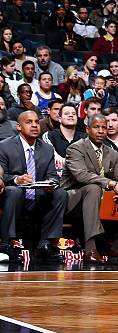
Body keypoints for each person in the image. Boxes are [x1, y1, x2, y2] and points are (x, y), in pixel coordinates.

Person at [62, 114, 118, 263]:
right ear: (87, 129)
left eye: (104, 128)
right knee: (93, 188)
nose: (100, 131)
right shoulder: (75, 148)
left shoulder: (111, 152)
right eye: (96, 127)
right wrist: (111, 184)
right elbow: (82, 176)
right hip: (73, 199)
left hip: (100, 198)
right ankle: (90, 248)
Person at [0, 111, 68, 261]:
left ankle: (46, 244)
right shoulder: (5, 146)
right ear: (18, 126)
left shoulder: (47, 149)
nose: (34, 126)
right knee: (13, 191)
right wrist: (17, 179)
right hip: (14, 197)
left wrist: (51, 184)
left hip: (38, 195)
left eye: (37, 122)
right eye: (29, 122)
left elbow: (52, 176)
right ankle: (7, 243)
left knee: (60, 193)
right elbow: (1, 176)